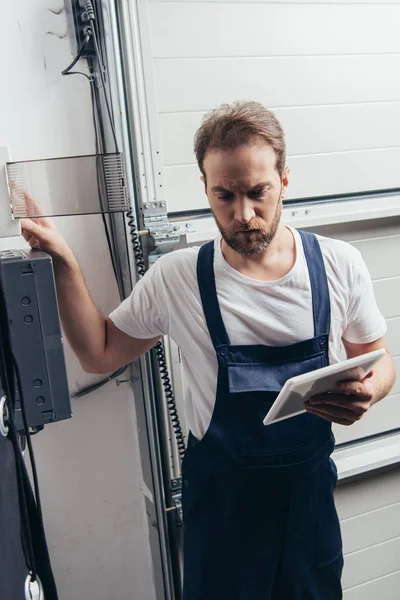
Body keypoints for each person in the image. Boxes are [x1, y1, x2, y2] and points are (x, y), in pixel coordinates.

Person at [21, 101, 396, 600]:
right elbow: (100, 352)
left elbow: (379, 358)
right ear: (204, 188)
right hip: (223, 514)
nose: (243, 215)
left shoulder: (338, 263)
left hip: (307, 507)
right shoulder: (179, 278)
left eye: (257, 192)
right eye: (224, 195)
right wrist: (64, 263)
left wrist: (368, 392)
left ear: (285, 179)